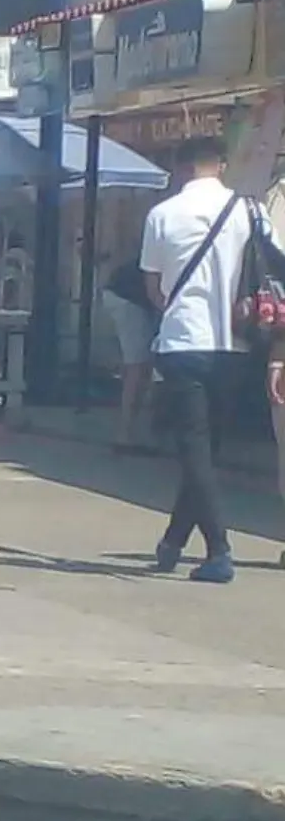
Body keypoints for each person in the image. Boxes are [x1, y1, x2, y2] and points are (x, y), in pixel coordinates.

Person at [139, 136, 270, 584]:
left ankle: (219, 550)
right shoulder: (249, 211)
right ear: (223, 164)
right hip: (236, 345)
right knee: (207, 449)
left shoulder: (162, 215)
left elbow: (154, 290)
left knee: (195, 450)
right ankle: (174, 541)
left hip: (183, 343)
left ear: (180, 166)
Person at [101, 250, 159, 453]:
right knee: (138, 367)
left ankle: (129, 432)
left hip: (123, 293)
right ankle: (125, 434)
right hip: (129, 298)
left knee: (139, 366)